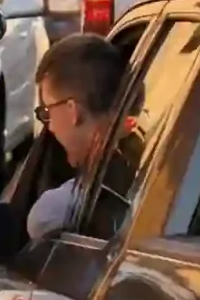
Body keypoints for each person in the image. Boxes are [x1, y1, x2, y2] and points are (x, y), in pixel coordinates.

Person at [27, 32, 127, 242]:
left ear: (73, 111)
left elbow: (42, 220)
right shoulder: (142, 159)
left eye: (47, 112)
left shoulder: (58, 208)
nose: (50, 126)